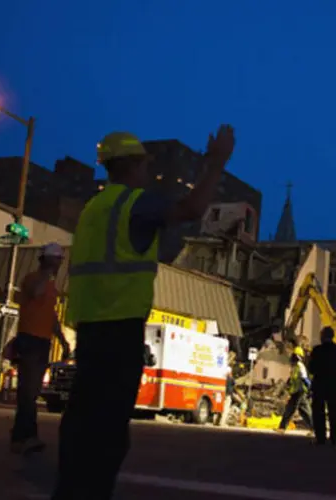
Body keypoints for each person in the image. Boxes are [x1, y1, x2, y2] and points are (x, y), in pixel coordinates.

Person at [51, 125, 235, 500]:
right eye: (145, 165)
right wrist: (216, 163)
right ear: (134, 165)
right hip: (118, 330)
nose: (149, 171)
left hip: (88, 329)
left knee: (82, 423)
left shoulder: (94, 209)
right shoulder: (133, 203)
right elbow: (193, 209)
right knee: (109, 432)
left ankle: (69, 491)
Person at [10, 242, 71, 455]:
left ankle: (22, 436)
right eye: (57, 260)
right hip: (30, 340)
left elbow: (51, 317)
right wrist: (46, 275)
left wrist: (62, 340)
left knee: (31, 391)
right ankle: (26, 436)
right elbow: (35, 294)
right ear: (47, 260)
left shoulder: (52, 287)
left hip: (42, 341)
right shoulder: (33, 280)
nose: (59, 265)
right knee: (27, 391)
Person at [308, 326, 336, 446]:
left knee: (318, 412)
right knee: (334, 412)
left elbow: (311, 368)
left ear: (322, 336)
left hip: (319, 384)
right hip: (333, 384)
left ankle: (320, 438)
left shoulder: (317, 350)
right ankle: (334, 438)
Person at [277, 347, 313, 434]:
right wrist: (287, 386)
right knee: (305, 412)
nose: (293, 357)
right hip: (296, 391)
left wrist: (311, 388)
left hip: (299, 392)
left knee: (290, 409)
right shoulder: (294, 366)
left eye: (295, 355)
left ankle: (282, 428)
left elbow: (305, 379)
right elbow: (292, 379)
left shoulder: (300, 366)